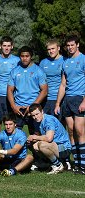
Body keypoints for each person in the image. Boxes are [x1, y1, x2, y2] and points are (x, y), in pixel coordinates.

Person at [54, 35, 85, 174]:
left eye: (72, 45)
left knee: (80, 130)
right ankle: (76, 164)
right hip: (67, 100)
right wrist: (57, 103)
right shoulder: (65, 62)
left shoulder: (83, 59)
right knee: (71, 131)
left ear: (77, 45)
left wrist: (84, 101)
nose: (70, 47)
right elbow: (63, 84)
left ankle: (84, 164)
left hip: (80, 98)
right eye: (68, 45)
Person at [7, 46, 48, 134]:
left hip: (33, 108)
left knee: (36, 136)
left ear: (31, 56)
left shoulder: (38, 70)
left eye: (27, 56)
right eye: (22, 56)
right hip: (18, 108)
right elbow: (9, 90)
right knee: (15, 136)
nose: (24, 58)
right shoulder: (14, 71)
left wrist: (33, 105)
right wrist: (13, 106)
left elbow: (44, 90)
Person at [28, 103, 71, 174]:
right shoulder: (37, 121)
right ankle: (48, 163)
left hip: (64, 147)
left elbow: (49, 138)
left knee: (41, 145)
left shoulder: (48, 120)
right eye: (33, 115)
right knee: (34, 145)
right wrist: (31, 139)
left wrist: (35, 137)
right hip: (54, 146)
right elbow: (39, 136)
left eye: (37, 114)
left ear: (42, 112)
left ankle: (58, 165)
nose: (36, 117)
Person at [39, 39, 65, 118]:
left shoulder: (64, 61)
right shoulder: (43, 62)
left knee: (60, 125)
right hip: (46, 99)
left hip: (60, 98)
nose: (51, 51)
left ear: (58, 48)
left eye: (53, 48)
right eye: (49, 49)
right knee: (44, 125)